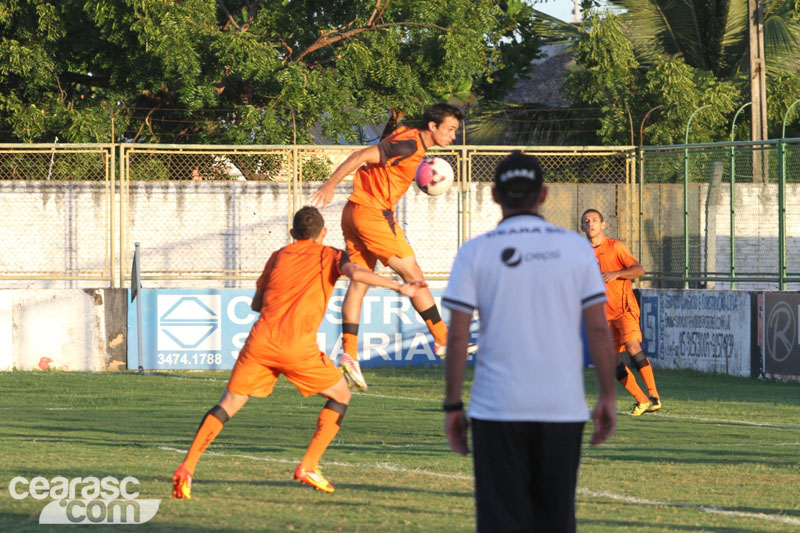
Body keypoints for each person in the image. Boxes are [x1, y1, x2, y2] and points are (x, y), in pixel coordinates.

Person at [171, 206, 425, 498]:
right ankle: (309, 466)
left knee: (228, 403)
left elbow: (256, 304)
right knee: (341, 395)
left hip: (260, 342)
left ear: (292, 233)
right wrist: (398, 287)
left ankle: (187, 467)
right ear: (324, 232)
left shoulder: (278, 256)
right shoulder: (331, 255)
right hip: (297, 346)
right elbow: (356, 272)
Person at [442, 151, 617, 532]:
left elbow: (457, 335)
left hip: (496, 409)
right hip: (561, 409)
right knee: (555, 521)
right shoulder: (576, 249)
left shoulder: (474, 251)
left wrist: (453, 404)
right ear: (543, 194)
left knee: (501, 523)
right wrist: (608, 395)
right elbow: (598, 329)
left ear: (494, 195)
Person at [311, 103, 475, 392]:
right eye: (450, 129)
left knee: (359, 283)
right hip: (373, 214)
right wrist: (330, 184)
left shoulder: (408, 136)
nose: (453, 136)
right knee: (414, 275)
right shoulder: (410, 145)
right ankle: (443, 339)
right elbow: (362, 155)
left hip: (355, 211)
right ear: (433, 126)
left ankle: (349, 354)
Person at [580, 208, 662, 416]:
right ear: (582, 226)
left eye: (594, 220)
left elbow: (639, 270)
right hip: (603, 314)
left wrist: (616, 274)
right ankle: (641, 400)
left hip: (624, 309)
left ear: (603, 225)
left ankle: (654, 395)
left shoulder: (615, 247)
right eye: (586, 221)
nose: (590, 223)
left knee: (633, 346)